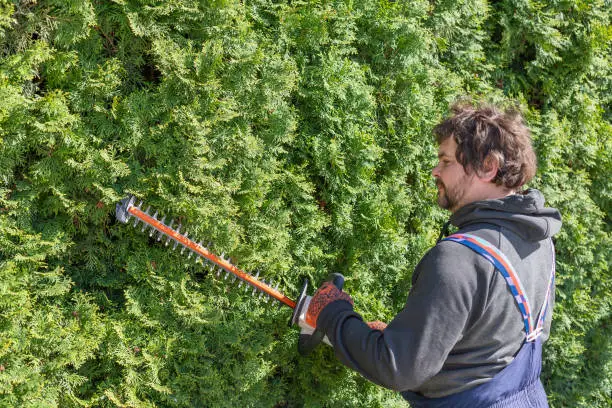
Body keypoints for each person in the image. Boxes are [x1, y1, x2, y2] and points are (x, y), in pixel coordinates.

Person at [299, 101, 562, 407]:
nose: (435, 171)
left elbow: (396, 368)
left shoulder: (460, 259)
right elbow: (491, 347)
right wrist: (415, 342)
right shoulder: (538, 242)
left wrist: (333, 314)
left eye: (446, 161)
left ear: (488, 167)